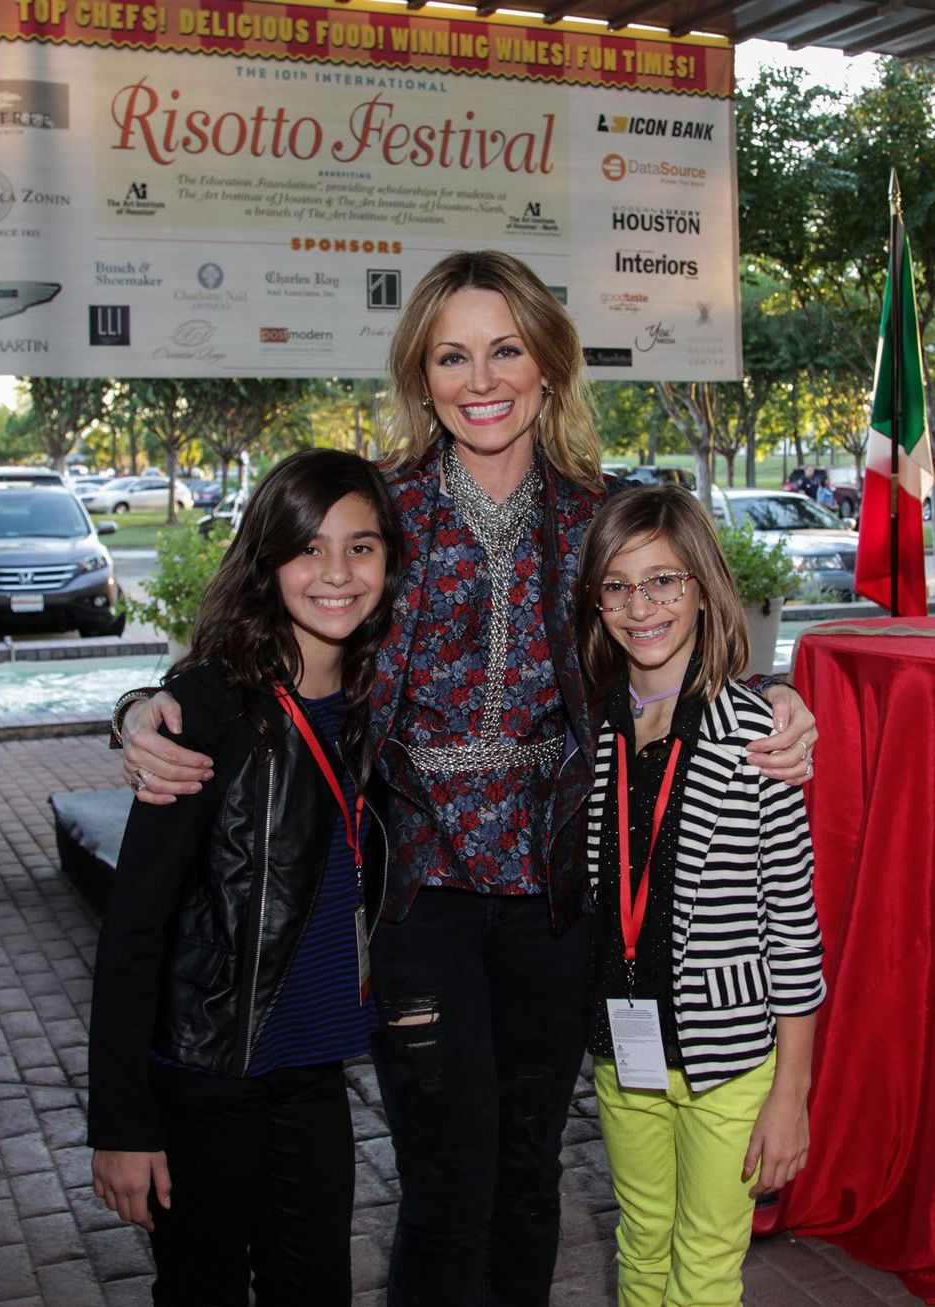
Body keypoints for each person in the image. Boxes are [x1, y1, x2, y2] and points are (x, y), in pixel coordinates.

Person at [114, 250, 817, 1306]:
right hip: (418, 904)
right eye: (451, 355)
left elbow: (675, 621)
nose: (479, 377)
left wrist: (771, 694)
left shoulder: (597, 514)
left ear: (546, 365)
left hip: (558, 906)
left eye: (504, 349)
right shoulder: (381, 509)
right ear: (421, 373)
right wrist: (138, 708)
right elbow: (251, 631)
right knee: (445, 1180)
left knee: (528, 1171)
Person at [88, 449, 403, 1307]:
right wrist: (119, 1122)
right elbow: (133, 926)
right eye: (309, 547)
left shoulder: (381, 703)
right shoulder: (208, 707)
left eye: (362, 547)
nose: (336, 572)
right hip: (206, 1077)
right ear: (267, 562)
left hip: (313, 1074)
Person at [577, 485, 824, 1307]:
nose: (639, 605)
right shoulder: (595, 731)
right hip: (625, 1052)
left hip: (728, 1066)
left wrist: (790, 1097)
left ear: (703, 587)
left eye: (663, 581)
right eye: (617, 584)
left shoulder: (759, 735)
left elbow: (794, 934)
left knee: (706, 1269)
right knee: (640, 1247)